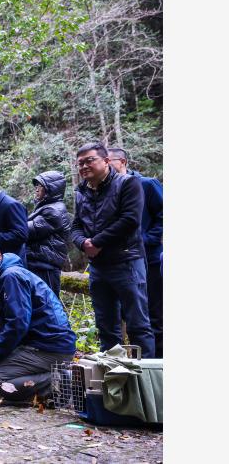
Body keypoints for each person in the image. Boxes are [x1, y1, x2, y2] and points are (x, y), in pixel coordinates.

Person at [71, 142, 155, 357]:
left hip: (126, 262)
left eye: (89, 160)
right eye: (80, 163)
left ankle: (144, 381)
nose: (84, 166)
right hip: (98, 267)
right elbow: (76, 225)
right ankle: (112, 379)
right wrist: (83, 243)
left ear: (106, 161)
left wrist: (97, 242)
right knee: (106, 326)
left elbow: (130, 220)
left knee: (138, 325)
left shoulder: (128, 184)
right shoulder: (81, 191)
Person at [0, 241, 77, 402]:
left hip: (50, 347)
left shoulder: (11, 276)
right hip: (32, 339)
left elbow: (17, 325)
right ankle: (10, 374)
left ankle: (59, 381)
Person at [108, 147, 163, 358]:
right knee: (131, 315)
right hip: (125, 261)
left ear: (122, 161)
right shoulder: (110, 190)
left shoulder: (146, 184)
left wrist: (147, 239)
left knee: (154, 314)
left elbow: (163, 214)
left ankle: (157, 366)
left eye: (109, 160)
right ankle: (135, 364)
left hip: (150, 258)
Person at [25, 171, 71, 297]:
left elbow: (27, 231)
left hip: (45, 267)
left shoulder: (53, 211)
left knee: (47, 306)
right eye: (36, 186)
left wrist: (10, 222)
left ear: (50, 188)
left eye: (40, 186)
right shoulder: (46, 207)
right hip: (40, 264)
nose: (36, 189)